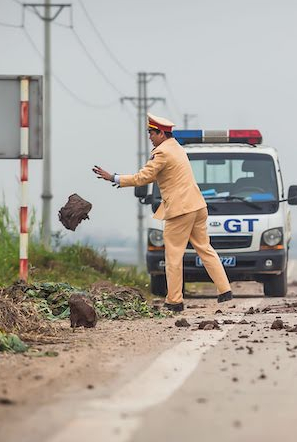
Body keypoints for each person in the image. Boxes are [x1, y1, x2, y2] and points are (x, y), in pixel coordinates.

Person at [92, 113, 233, 312]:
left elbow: (143, 177)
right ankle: (224, 289)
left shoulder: (162, 153)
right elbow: (153, 177)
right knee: (205, 248)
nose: (149, 137)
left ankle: (174, 301)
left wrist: (113, 177)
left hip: (180, 210)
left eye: (151, 133)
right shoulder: (177, 148)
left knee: (173, 256)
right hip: (198, 206)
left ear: (160, 134)